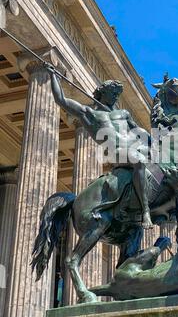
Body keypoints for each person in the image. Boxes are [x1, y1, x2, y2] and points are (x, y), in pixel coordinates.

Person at [46, 65, 155, 228]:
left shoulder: (123, 113)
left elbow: (139, 132)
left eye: (117, 94)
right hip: (116, 152)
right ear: (103, 93)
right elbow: (61, 99)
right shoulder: (90, 114)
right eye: (112, 93)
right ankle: (145, 211)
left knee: (164, 167)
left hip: (134, 148)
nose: (115, 97)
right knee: (138, 160)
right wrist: (54, 75)